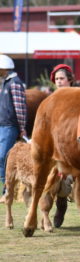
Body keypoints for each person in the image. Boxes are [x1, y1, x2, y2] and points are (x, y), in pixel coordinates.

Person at [50, 64, 80, 227]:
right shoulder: (52, 99)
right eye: (56, 79)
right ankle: (60, 208)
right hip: (60, 147)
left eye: (61, 78)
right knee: (61, 180)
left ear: (70, 80)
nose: (59, 82)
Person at [0, 55, 27, 203]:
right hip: (3, 125)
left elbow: (20, 108)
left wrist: (22, 127)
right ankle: (6, 190)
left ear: (3, 68)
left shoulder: (15, 83)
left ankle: (7, 191)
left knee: (4, 157)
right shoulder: (6, 82)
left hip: (10, 126)